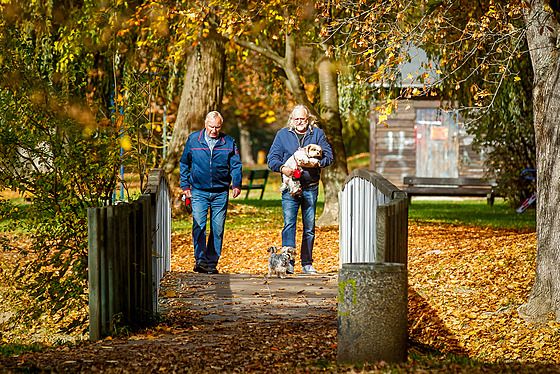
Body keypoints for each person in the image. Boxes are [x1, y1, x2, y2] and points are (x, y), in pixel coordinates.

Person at [267, 105, 333, 274]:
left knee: (309, 227)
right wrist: (283, 168)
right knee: (289, 224)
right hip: (290, 186)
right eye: (296, 119)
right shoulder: (282, 135)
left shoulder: (317, 134)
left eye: (302, 119)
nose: (299, 122)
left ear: (308, 118)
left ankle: (307, 263)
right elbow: (271, 159)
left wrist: (317, 163)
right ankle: (288, 264)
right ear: (292, 119)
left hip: (310, 187)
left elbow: (329, 156)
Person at [180, 111, 243, 274]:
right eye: (211, 127)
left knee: (217, 228)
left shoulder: (229, 142)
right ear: (205, 124)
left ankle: (211, 262)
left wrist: (236, 183)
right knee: (199, 225)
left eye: (217, 127)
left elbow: (236, 165)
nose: (214, 130)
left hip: (220, 191)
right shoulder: (194, 139)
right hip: (199, 191)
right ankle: (200, 260)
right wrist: (185, 187)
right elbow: (184, 164)